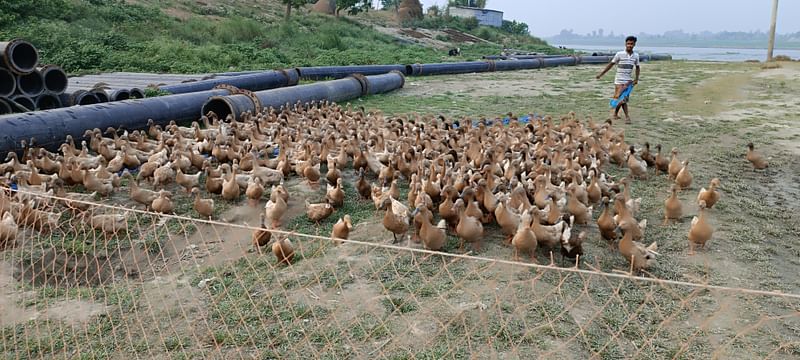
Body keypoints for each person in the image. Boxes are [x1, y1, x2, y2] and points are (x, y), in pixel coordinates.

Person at [596, 36, 640, 123]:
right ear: (625, 44)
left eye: (631, 44)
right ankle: (627, 117)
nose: (629, 45)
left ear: (634, 44)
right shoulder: (619, 54)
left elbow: (638, 67)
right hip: (619, 80)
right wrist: (601, 74)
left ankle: (615, 114)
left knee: (622, 98)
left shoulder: (636, 56)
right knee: (623, 99)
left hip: (628, 81)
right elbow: (611, 64)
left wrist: (636, 79)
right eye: (628, 43)